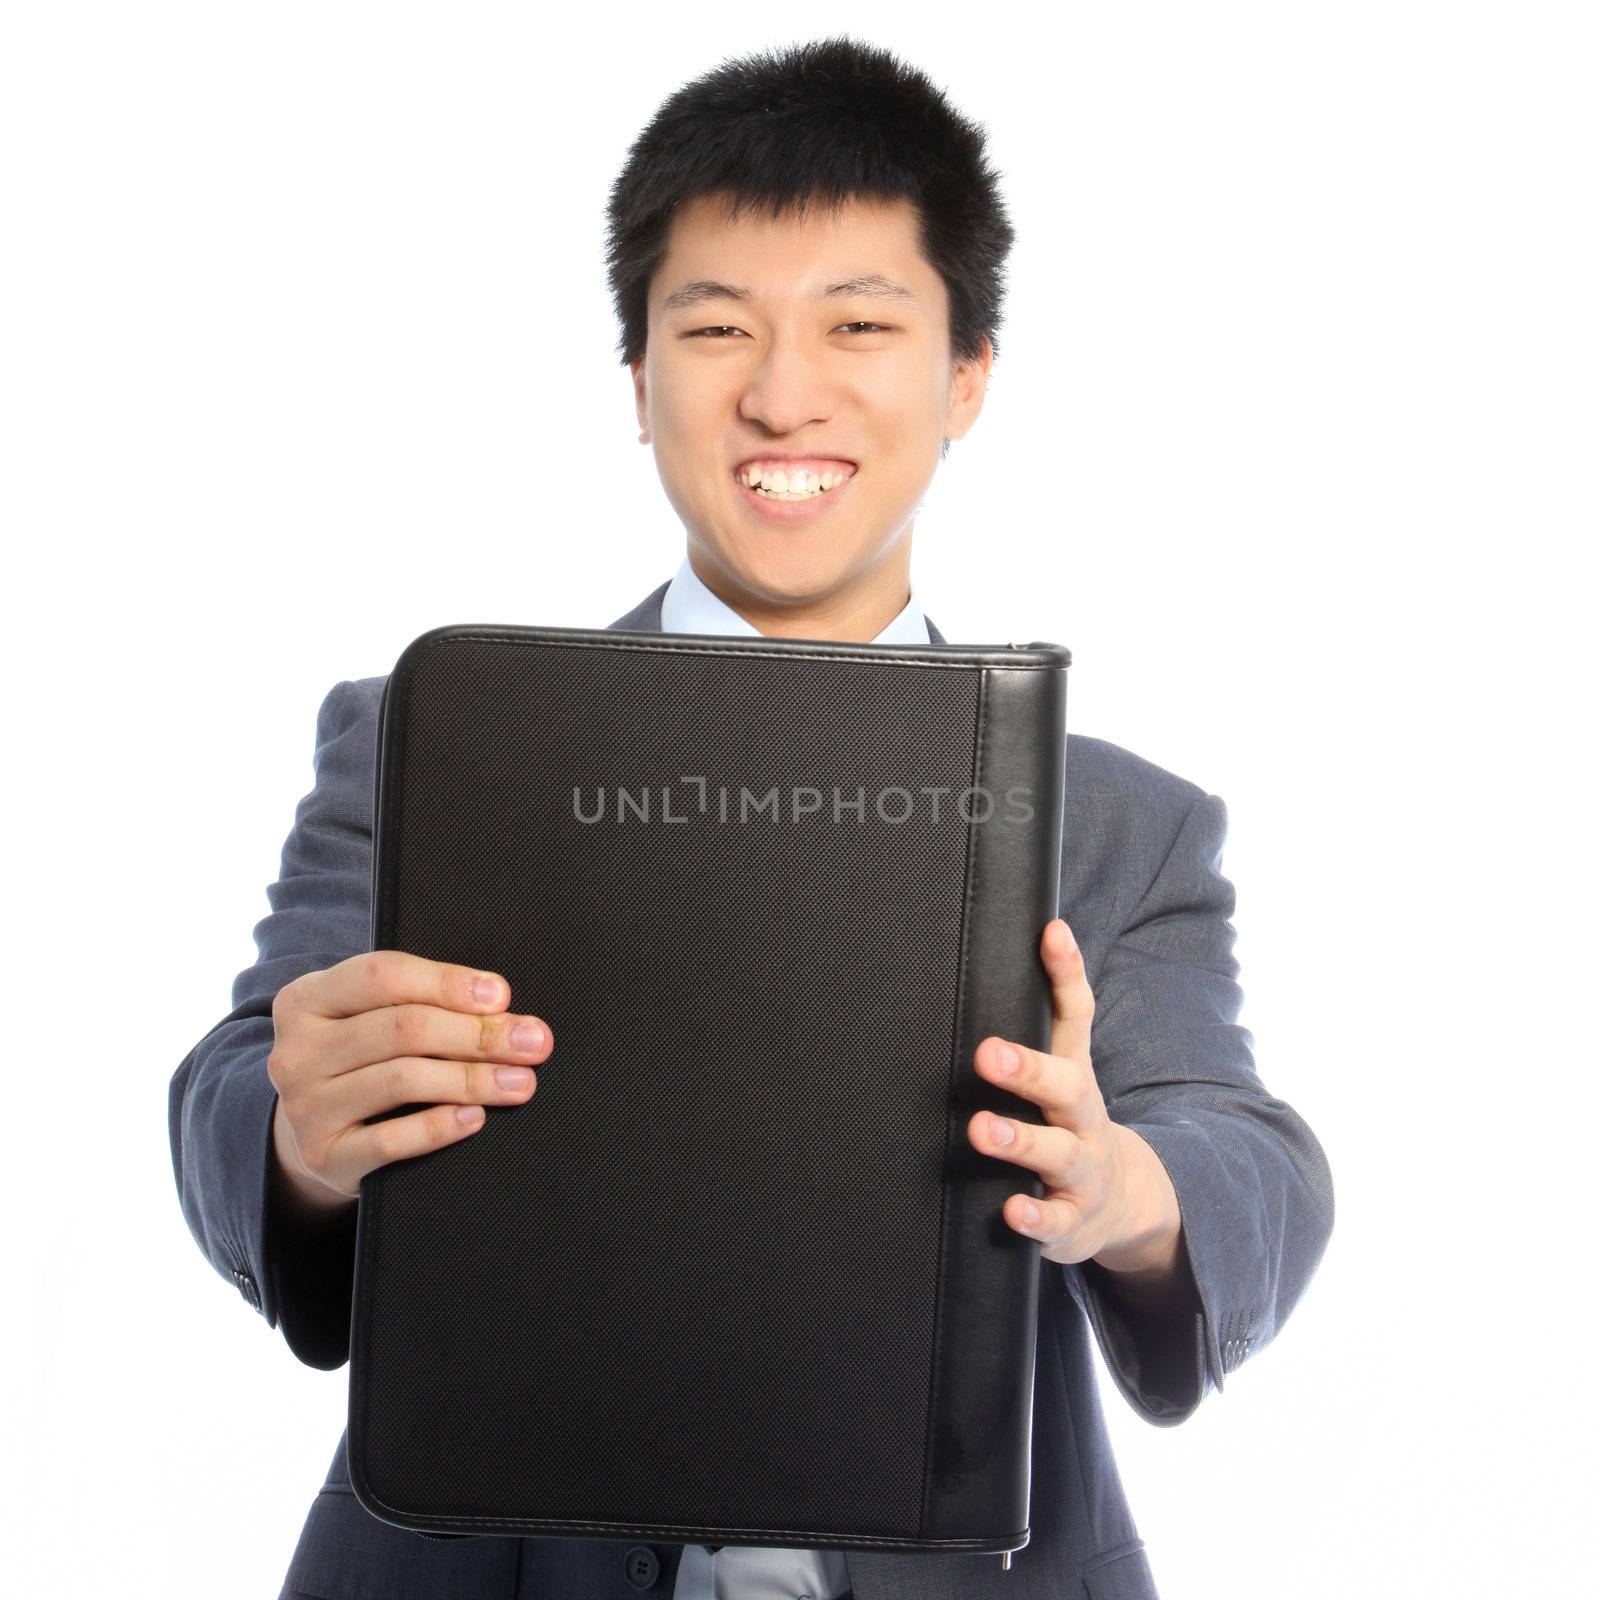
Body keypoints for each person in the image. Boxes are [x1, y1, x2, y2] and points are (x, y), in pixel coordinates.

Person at [168, 35, 1334, 1600]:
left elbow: (1242, 1145)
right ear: (640, 383)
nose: (784, 394)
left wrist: (1133, 1187)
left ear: (966, 376)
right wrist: (305, 1132)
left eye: (859, 324)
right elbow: (238, 1079)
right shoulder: (444, 742)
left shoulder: (1116, 821)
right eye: (716, 329)